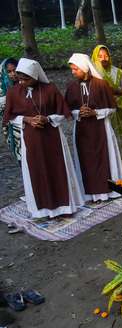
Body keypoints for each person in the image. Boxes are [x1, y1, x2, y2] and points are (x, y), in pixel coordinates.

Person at [2, 59, 83, 219]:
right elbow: (10, 117)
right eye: (21, 79)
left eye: (27, 79)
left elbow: (62, 114)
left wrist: (47, 119)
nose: (23, 82)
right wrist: (27, 119)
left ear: (36, 76)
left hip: (52, 137)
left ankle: (64, 208)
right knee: (37, 172)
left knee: (57, 169)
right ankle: (43, 210)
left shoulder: (50, 89)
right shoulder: (13, 92)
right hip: (31, 139)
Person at [65, 53, 122, 203]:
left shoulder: (101, 84)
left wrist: (94, 112)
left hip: (100, 128)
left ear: (85, 68)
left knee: (104, 157)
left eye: (75, 69)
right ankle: (89, 194)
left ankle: (107, 191)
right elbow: (67, 110)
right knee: (85, 160)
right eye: (72, 69)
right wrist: (78, 112)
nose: (73, 72)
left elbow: (112, 108)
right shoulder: (71, 87)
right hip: (82, 129)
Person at [91, 45, 122, 176]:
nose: (103, 59)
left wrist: (114, 91)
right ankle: (109, 171)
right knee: (106, 140)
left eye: (106, 56)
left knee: (121, 138)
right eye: (100, 56)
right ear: (94, 58)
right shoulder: (93, 74)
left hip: (118, 110)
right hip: (101, 111)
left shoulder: (118, 72)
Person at [1, 58, 21, 161]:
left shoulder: (27, 83)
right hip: (11, 125)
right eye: (9, 72)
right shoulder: (2, 88)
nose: (13, 74)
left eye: (15, 70)